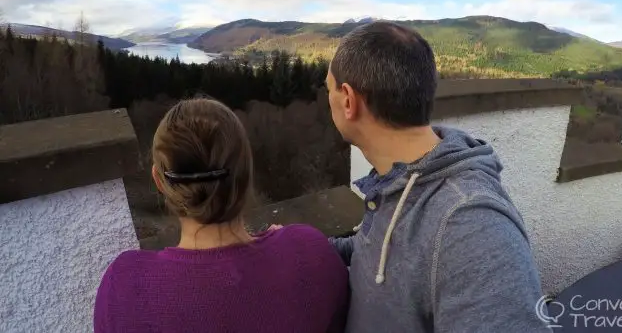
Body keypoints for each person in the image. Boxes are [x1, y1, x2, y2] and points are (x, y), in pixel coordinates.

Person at [325, 21, 549, 333]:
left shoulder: (470, 224)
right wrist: (293, 247)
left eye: (328, 89)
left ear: (348, 100)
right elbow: (375, 251)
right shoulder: (396, 180)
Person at [94, 97, 349, 333]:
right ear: (246, 173)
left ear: (159, 182)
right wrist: (289, 247)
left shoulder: (124, 290)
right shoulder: (310, 254)